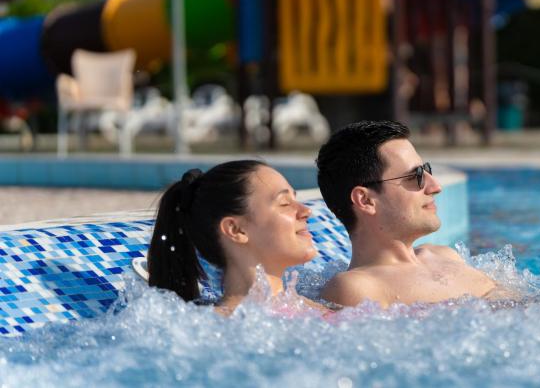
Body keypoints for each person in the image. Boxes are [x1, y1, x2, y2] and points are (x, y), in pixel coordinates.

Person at [316, 120, 517, 308]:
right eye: (416, 176)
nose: (435, 186)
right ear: (365, 200)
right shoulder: (357, 288)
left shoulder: (444, 255)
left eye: (426, 170)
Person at [147, 160, 319, 315]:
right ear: (236, 230)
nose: (306, 211)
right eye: (284, 203)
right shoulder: (214, 328)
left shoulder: (313, 309)